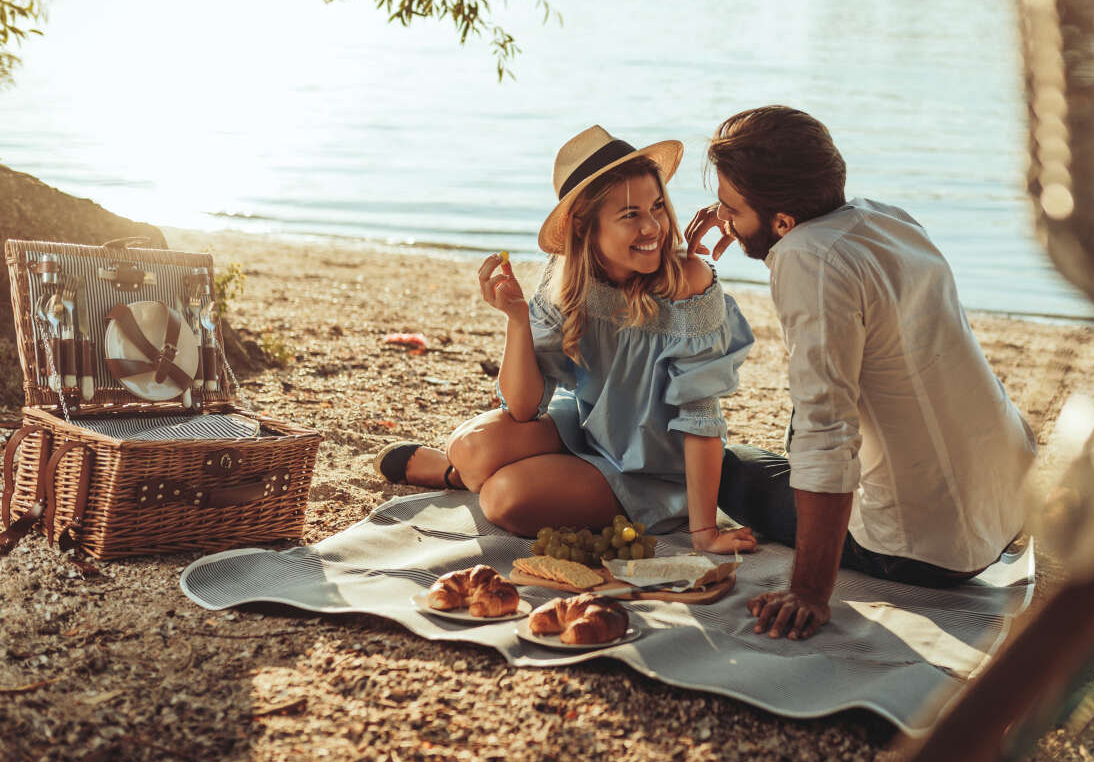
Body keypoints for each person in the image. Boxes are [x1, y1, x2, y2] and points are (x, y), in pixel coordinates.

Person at [685, 106, 1036, 639]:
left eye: (731, 209)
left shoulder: (808, 260)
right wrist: (746, 216)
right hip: (1009, 501)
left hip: (924, 550)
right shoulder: (884, 218)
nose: (724, 221)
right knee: (780, 443)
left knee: (722, 469)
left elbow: (828, 434)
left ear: (782, 220)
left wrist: (807, 590)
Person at [375, 125, 757, 555]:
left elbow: (701, 416)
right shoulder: (566, 278)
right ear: (582, 226)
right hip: (587, 426)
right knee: (468, 446)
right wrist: (517, 320)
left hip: (653, 468)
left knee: (505, 499)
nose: (653, 228)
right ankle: (459, 471)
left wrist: (704, 532)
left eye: (657, 208)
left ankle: (467, 477)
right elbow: (522, 407)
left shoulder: (690, 283)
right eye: (630, 215)